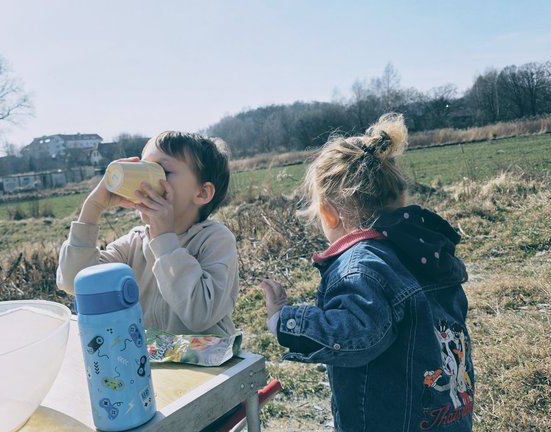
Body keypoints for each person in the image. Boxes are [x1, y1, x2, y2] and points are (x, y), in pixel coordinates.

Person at [259, 113, 475, 431]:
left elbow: (358, 335)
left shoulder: (360, 266)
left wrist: (283, 320)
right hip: (446, 414)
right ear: (400, 198)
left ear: (329, 214)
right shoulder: (424, 251)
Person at [57, 131, 238, 338]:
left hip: (210, 357)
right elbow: (76, 283)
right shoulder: (134, 243)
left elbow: (200, 315)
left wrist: (164, 240)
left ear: (202, 193)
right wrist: (93, 207)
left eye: (161, 170)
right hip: (150, 357)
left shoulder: (216, 240)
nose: (143, 182)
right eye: (143, 167)